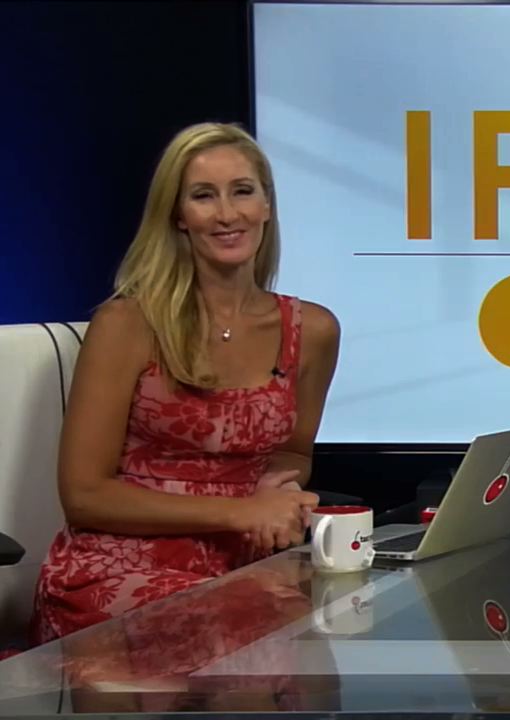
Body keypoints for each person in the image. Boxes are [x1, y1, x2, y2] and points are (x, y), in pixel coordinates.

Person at [32, 122, 341, 644]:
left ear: (267, 205)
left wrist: (276, 495)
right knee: (257, 633)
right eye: (203, 196)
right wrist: (240, 511)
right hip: (117, 571)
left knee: (345, 620)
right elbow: (84, 495)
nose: (227, 214)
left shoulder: (313, 331)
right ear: (178, 215)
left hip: (242, 569)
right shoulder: (128, 325)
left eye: (242, 191)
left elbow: (292, 453)